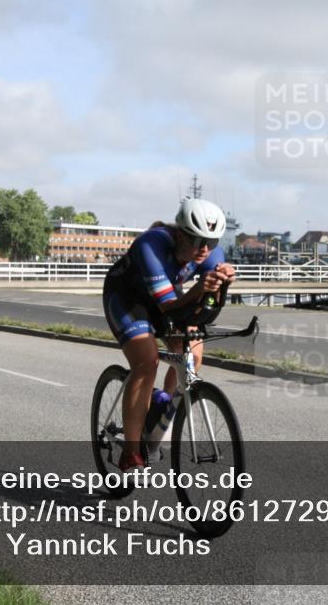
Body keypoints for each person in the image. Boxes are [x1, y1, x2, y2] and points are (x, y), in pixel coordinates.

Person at [103, 197, 235, 473]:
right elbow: (167, 307)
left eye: (211, 242)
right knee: (146, 362)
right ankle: (130, 453)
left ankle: (157, 420)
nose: (204, 249)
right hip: (128, 299)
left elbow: (200, 309)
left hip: (166, 298)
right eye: (197, 240)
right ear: (179, 234)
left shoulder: (212, 254)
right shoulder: (151, 244)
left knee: (192, 354)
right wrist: (199, 289)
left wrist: (217, 289)